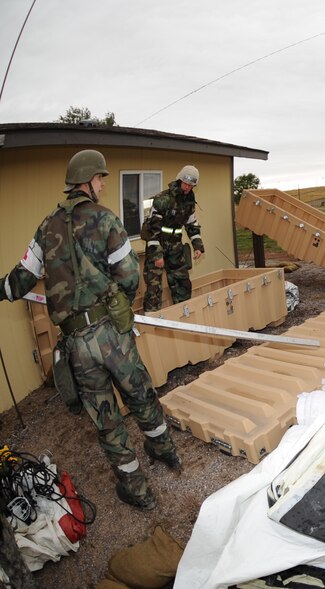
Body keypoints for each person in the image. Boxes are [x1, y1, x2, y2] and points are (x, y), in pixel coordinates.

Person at [0, 150, 180, 511]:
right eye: (100, 179)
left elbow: (19, 281)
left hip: (76, 345)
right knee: (140, 395)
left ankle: (137, 489)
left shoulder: (46, 226)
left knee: (106, 418)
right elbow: (130, 275)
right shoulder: (106, 219)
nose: (102, 185)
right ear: (87, 181)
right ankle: (165, 453)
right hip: (112, 333)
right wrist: (118, 308)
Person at [141, 165, 205, 311]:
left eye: (191, 185)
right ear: (180, 180)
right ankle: (152, 321)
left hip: (175, 247)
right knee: (154, 289)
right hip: (157, 245)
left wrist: (197, 246)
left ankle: (184, 315)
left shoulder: (189, 202)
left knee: (182, 283)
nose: (188, 187)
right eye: (186, 183)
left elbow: (192, 225)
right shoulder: (162, 200)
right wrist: (157, 255)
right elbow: (152, 230)